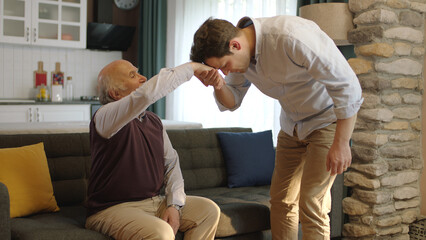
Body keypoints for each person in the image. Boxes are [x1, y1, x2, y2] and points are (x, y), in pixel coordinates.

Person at [190, 16, 363, 239]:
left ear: (235, 45)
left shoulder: (292, 37)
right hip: (292, 125)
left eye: (224, 66)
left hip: (327, 120)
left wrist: (341, 143)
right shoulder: (240, 57)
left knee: (312, 201)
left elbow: (348, 86)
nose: (225, 72)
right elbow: (232, 100)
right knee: (281, 201)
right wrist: (218, 84)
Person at [85, 59, 222, 240]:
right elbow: (146, 95)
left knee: (208, 211)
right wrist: (192, 68)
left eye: (138, 72)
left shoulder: (154, 121)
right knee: (161, 233)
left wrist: (174, 205)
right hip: (111, 210)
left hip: (154, 202)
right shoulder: (104, 117)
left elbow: (171, 163)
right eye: (132, 75)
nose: (143, 78)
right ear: (115, 93)